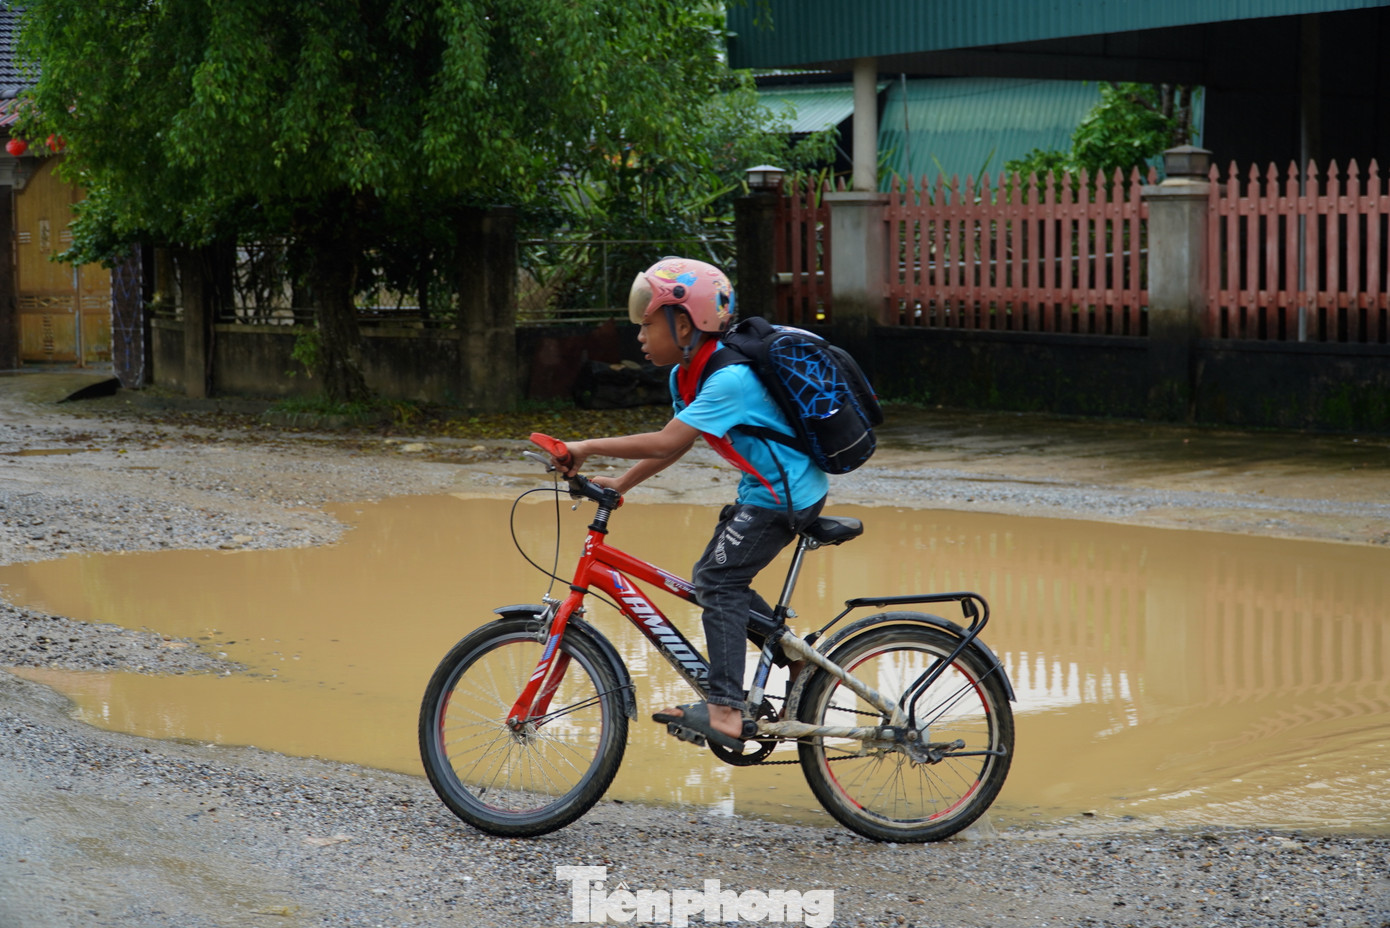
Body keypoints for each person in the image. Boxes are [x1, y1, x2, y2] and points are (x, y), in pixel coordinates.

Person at [547, 256, 828, 750]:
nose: (639, 336)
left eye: (647, 324)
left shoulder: (728, 380)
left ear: (683, 324)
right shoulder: (686, 375)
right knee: (717, 578)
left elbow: (665, 440)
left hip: (786, 495)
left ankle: (725, 711)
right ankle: (795, 657)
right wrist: (622, 484)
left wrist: (585, 447)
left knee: (717, 580)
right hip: (762, 490)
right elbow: (677, 441)